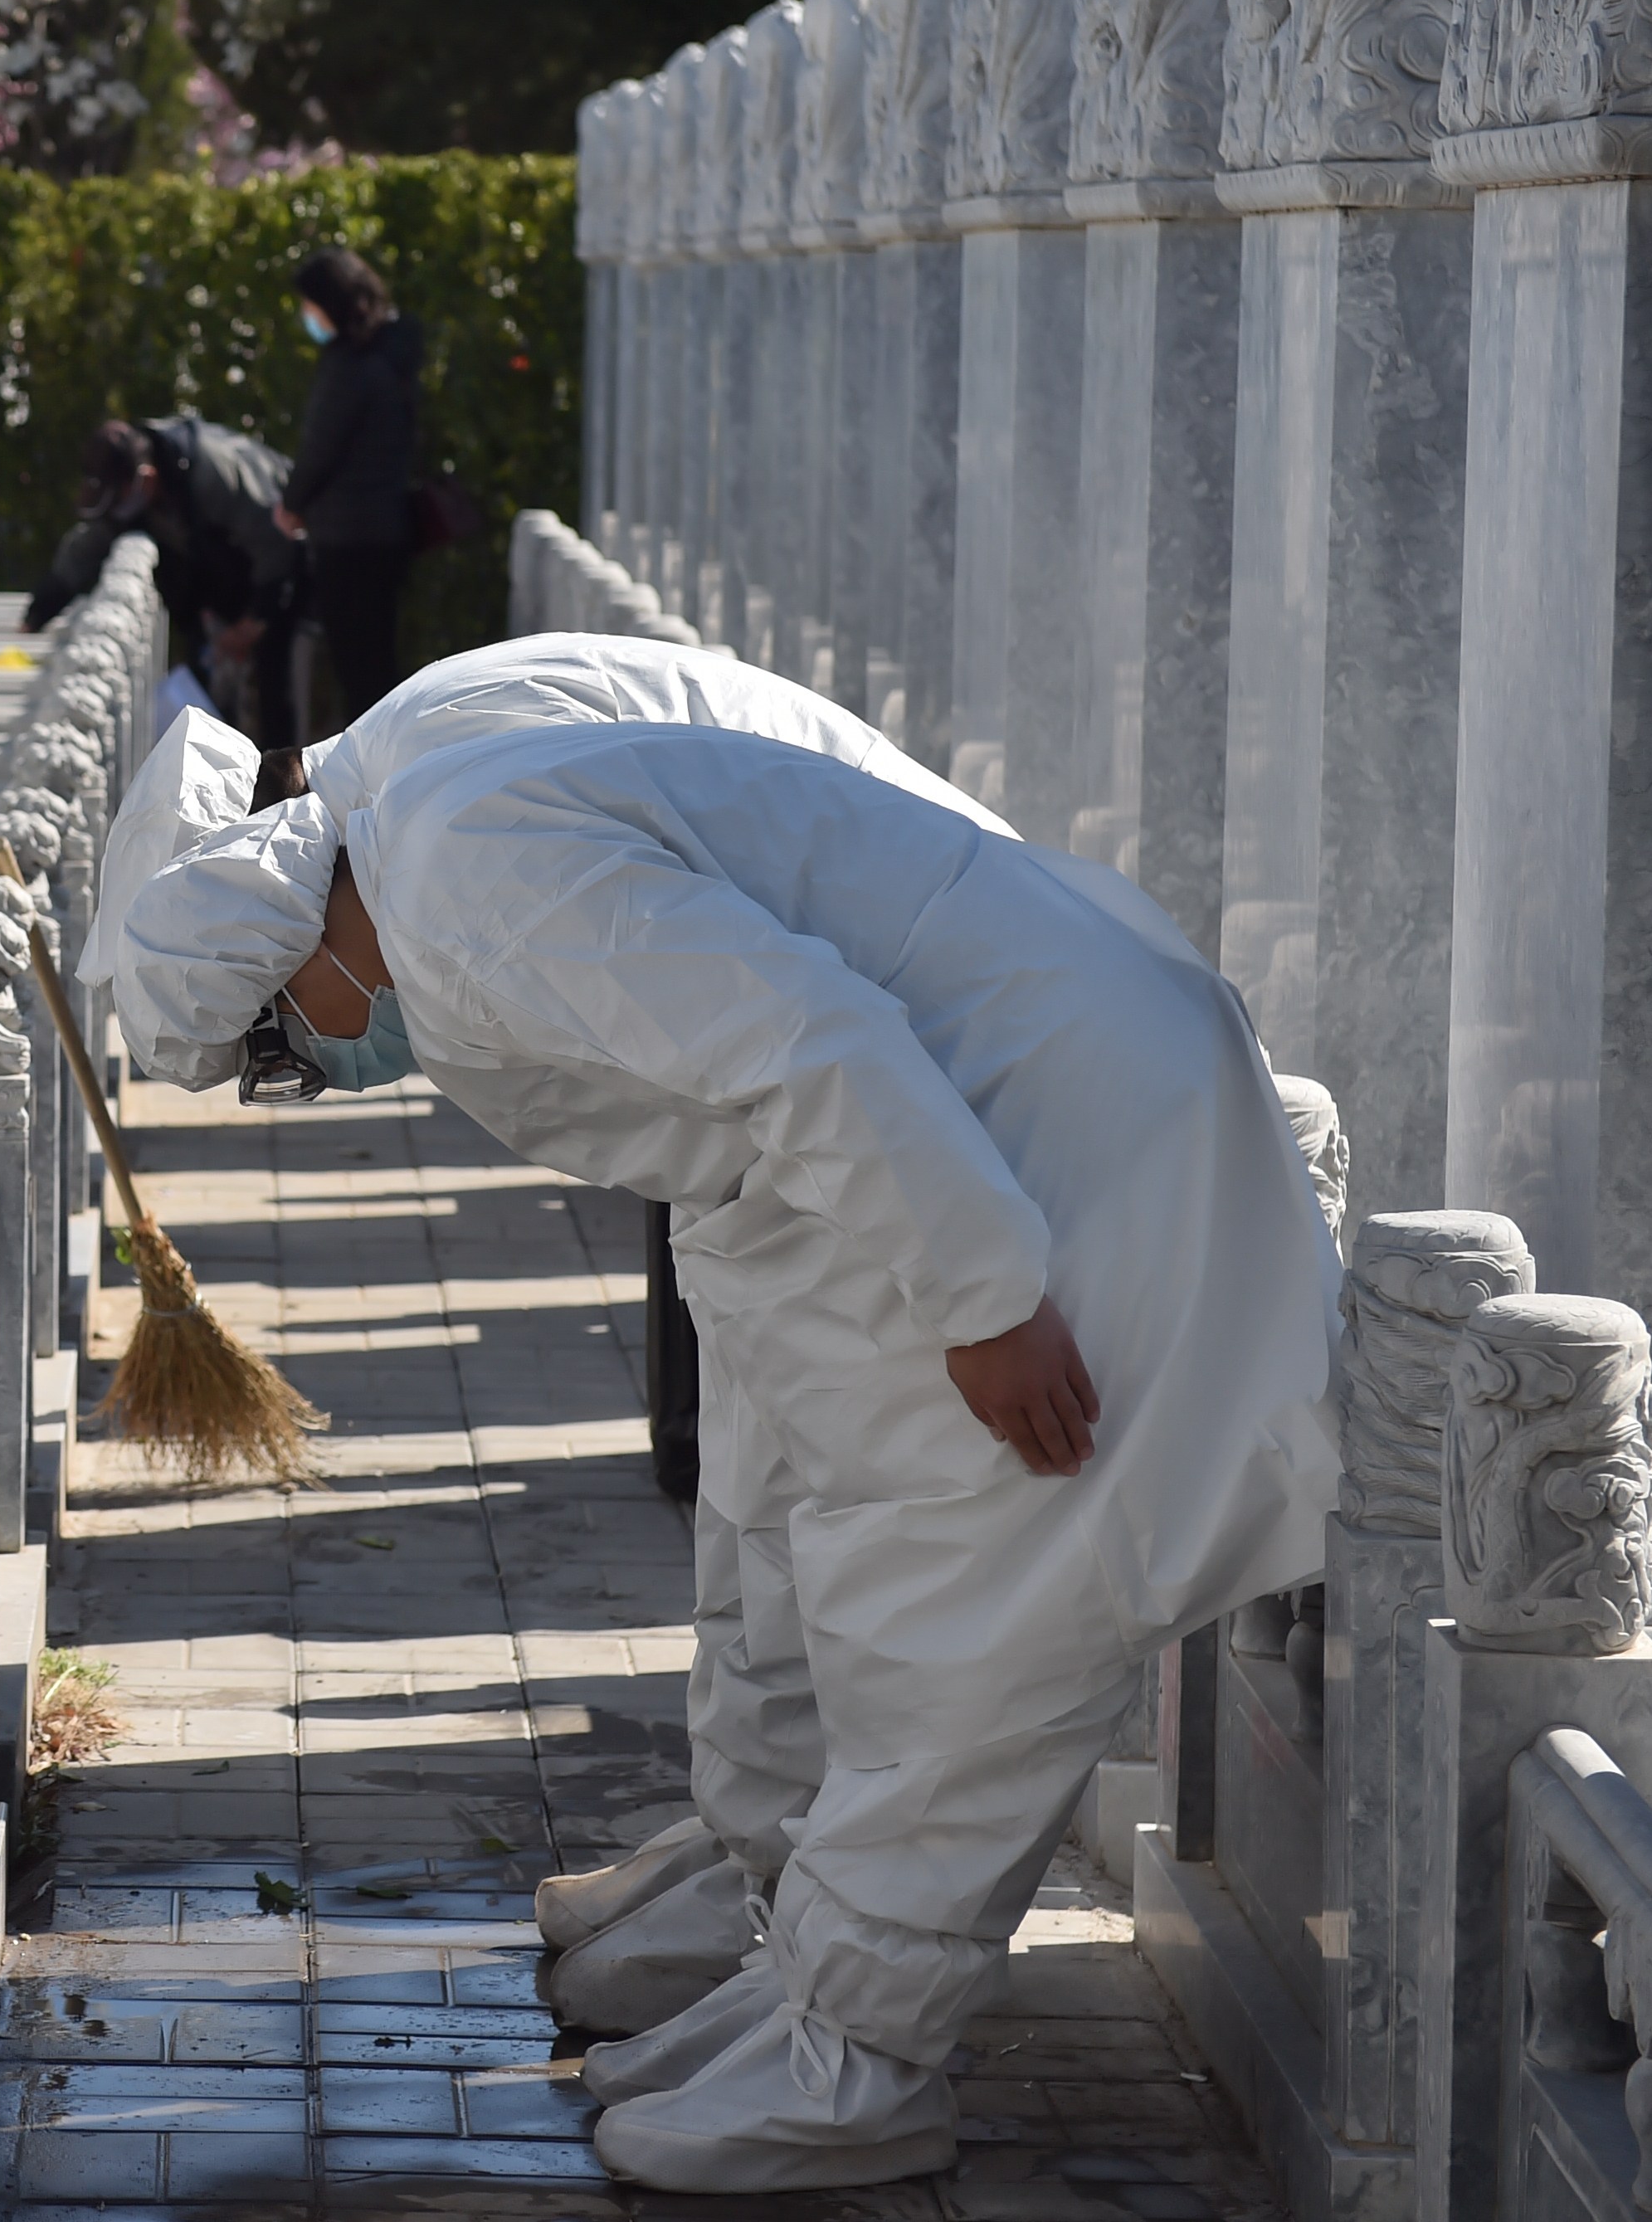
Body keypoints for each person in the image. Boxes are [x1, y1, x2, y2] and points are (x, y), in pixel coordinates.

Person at [86, 641, 1341, 2195]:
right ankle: (793, 1952)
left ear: (295, 941)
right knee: (801, 1562)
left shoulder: (464, 886)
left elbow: (804, 1042)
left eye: (280, 1047)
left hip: (1040, 1149)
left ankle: (860, 2059)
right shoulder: (419, 815)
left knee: (955, 1622)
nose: (323, 1077)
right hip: (918, 1134)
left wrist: (982, 1299)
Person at [24, 411, 304, 743]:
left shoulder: (212, 470)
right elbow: (88, 547)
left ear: (148, 477)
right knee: (208, 691)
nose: (120, 509)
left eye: (121, 498)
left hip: (281, 571)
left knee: (275, 684)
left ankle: (283, 784)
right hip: (213, 594)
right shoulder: (128, 494)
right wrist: (37, 614)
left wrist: (253, 622)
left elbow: (274, 542)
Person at [271, 248, 424, 717]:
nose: (306, 316)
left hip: (346, 535)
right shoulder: (392, 354)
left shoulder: (348, 366)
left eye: (309, 305)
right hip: (387, 528)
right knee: (379, 660)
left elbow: (321, 448)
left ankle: (370, 778)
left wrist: (291, 505)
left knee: (357, 669)